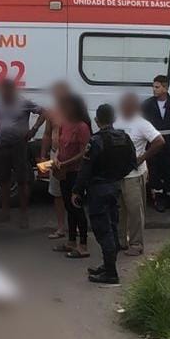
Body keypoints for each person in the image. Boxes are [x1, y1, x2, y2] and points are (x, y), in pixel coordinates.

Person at [72, 103, 138, 284]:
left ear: (96, 120)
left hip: (98, 190)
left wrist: (77, 190)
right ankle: (108, 266)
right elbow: (133, 162)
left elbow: (86, 168)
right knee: (113, 225)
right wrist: (117, 176)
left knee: (103, 231)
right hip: (115, 186)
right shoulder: (124, 137)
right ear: (114, 119)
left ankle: (111, 273)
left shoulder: (96, 141)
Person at [0, 78, 46, 228]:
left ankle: (23, 215)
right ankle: (5, 212)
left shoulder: (24, 103)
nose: (3, 93)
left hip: (18, 146)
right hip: (2, 145)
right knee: (3, 180)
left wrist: (33, 130)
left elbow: (44, 112)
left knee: (22, 181)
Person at [114, 92, 165, 256]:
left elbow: (159, 141)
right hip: (117, 174)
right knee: (119, 210)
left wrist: (142, 158)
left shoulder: (142, 124)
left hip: (134, 176)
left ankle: (136, 244)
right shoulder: (117, 122)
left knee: (135, 211)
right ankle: (121, 241)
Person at [51, 94, 92, 259]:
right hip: (63, 171)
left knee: (77, 207)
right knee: (68, 205)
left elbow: (84, 152)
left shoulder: (82, 127)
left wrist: (66, 162)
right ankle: (71, 241)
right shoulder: (64, 124)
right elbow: (60, 145)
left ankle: (83, 244)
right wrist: (56, 158)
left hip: (76, 172)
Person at [142, 74, 170, 213]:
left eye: (157, 87)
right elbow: (142, 126)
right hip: (154, 142)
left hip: (169, 142)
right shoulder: (147, 104)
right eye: (153, 87)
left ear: (165, 88)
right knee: (154, 171)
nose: (154, 89)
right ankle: (159, 199)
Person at [41, 81, 71, 240]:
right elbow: (47, 134)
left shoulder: (76, 113)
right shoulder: (52, 112)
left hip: (71, 157)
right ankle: (61, 227)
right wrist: (43, 155)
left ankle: (75, 227)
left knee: (72, 191)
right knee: (56, 192)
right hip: (54, 155)